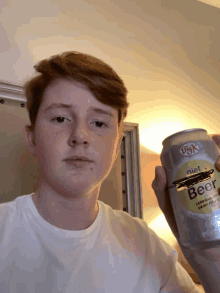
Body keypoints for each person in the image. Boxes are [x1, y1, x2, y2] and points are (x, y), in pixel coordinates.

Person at [0, 51, 218, 292]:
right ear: (32, 139)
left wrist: (209, 258)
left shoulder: (147, 244)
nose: (80, 136)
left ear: (117, 145)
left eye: (99, 123)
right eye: (61, 118)